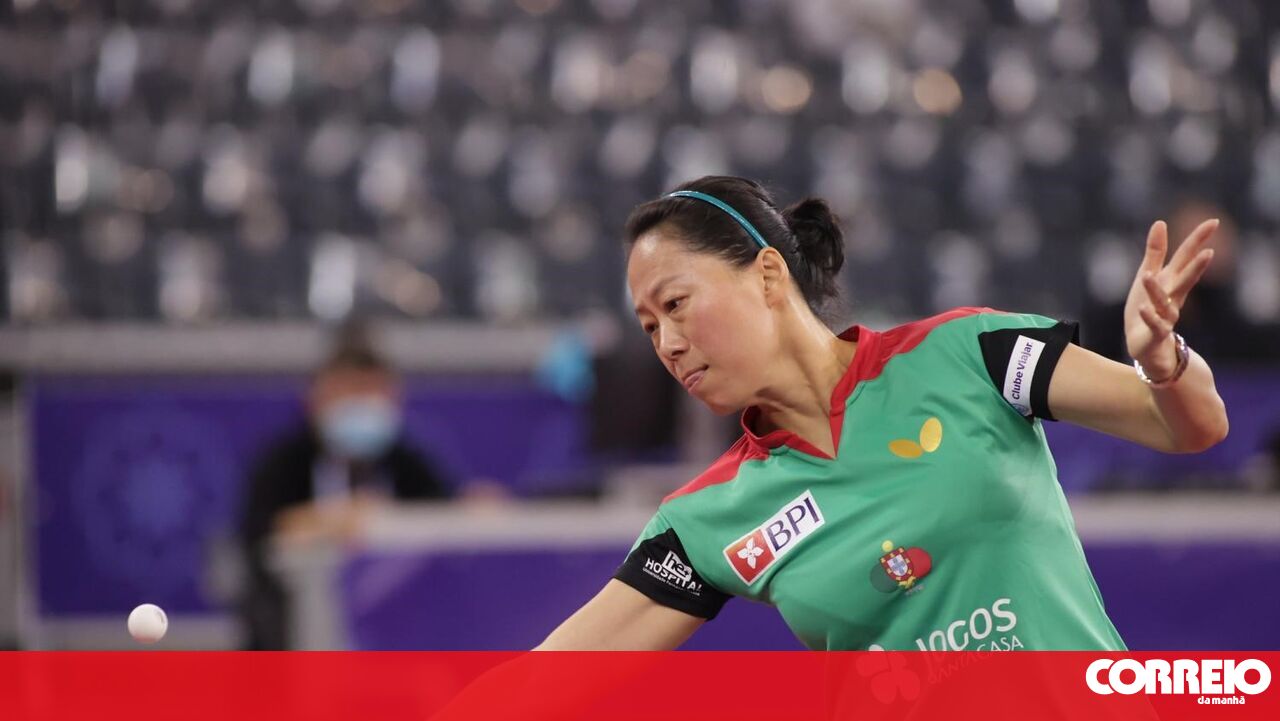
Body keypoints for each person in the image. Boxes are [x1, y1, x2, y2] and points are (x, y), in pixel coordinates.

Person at [534, 175, 1228, 651]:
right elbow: (545, 682)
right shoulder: (706, 519)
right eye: (649, 326)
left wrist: (1161, 360)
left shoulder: (970, 352)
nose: (667, 343)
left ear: (768, 275)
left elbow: (1192, 426)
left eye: (676, 304)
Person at [237, 323, 452, 650]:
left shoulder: (408, 461)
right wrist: (329, 521)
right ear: (316, 399)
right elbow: (260, 532)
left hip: (395, 632)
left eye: (371, 392)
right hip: (293, 630)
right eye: (349, 392)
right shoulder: (283, 461)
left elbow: (443, 519)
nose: (361, 404)